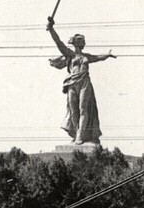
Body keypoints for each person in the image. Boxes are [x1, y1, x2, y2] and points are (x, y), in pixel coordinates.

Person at [47, 17, 116, 145]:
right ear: (77, 43)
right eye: (82, 41)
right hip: (72, 83)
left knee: (83, 109)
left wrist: (107, 55)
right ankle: (76, 133)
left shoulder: (86, 57)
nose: (83, 43)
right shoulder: (70, 54)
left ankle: (80, 136)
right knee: (74, 111)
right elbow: (58, 42)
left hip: (84, 82)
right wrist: (51, 28)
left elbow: (98, 57)